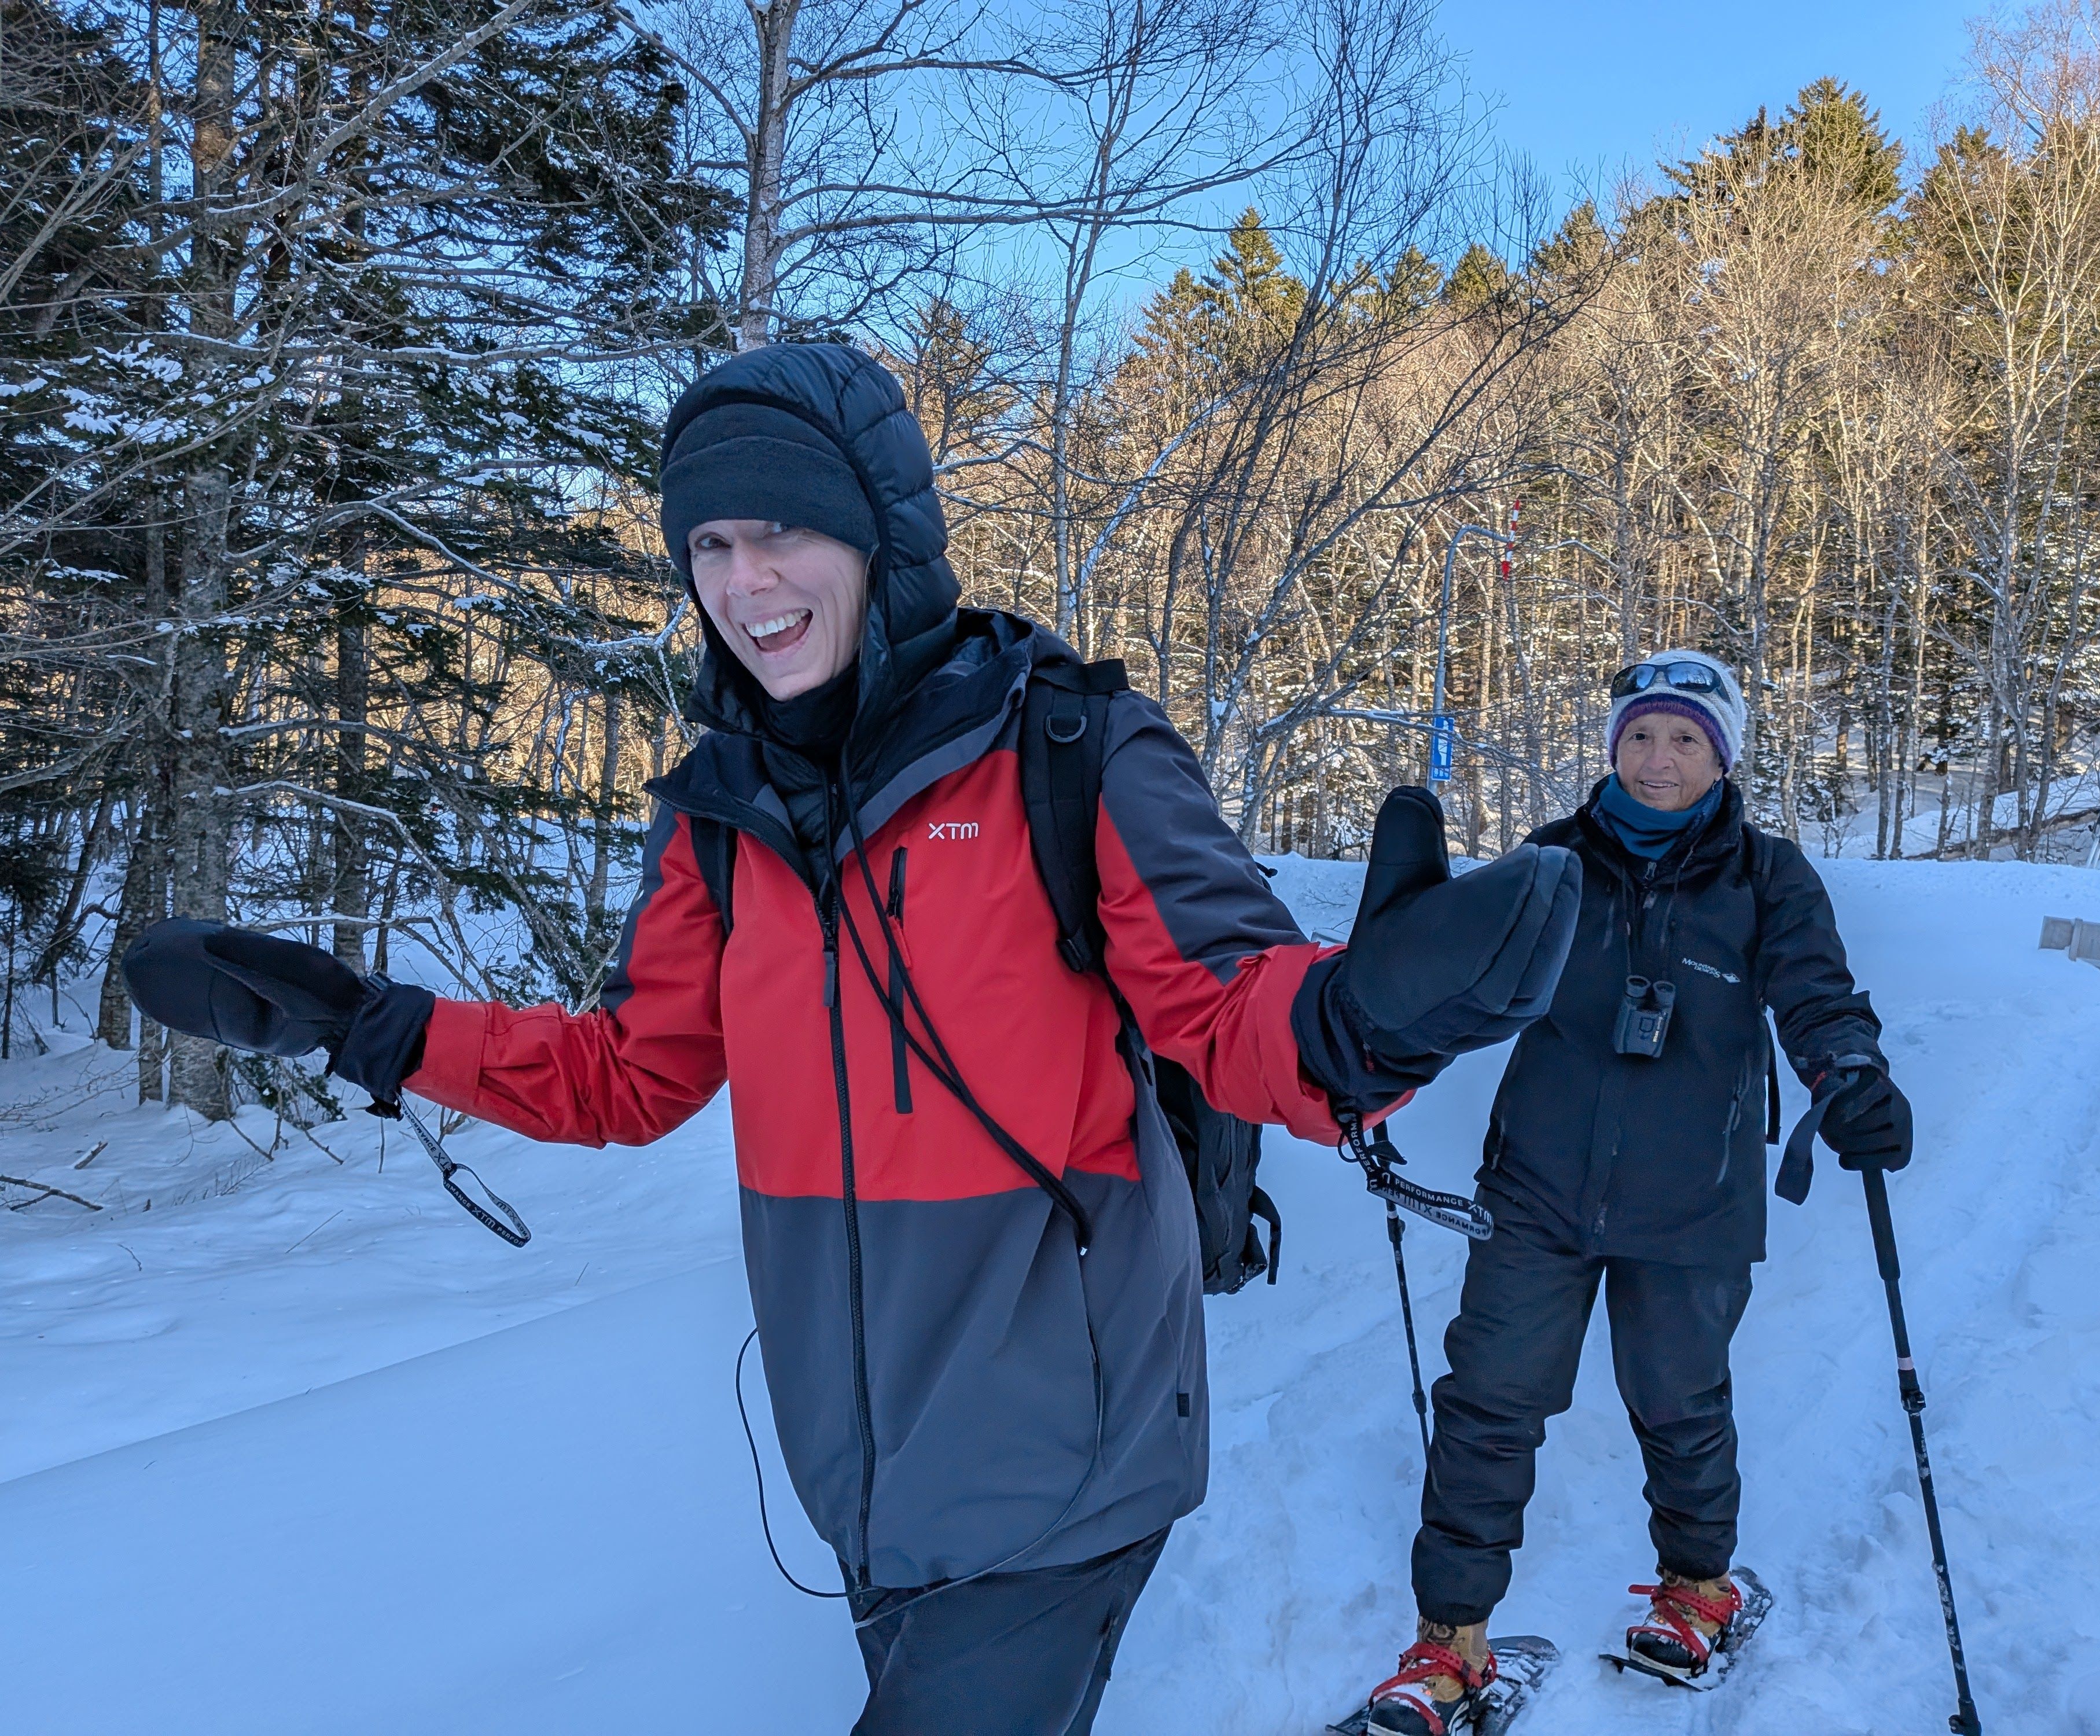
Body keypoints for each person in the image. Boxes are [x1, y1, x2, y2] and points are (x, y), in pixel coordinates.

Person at [122, 341, 1582, 1735]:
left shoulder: (1063, 749)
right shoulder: (719, 816)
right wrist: (373, 1026)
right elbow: (628, 1079)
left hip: (1061, 1459)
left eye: (778, 533)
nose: (741, 583)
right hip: (863, 1470)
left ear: (881, 534)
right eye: (705, 548)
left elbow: (1224, 1017)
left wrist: (1362, 1018)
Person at [1359, 649, 1914, 1735]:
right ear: (1614, 746)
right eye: (1641, 736)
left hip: (1694, 1193)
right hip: (1537, 1187)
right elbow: (1443, 991)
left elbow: (1817, 992)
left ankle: (1699, 1590)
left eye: (1687, 739)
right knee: (1488, 1404)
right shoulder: (1552, 861)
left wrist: (1850, 1073)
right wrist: (1382, 982)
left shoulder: (1768, 875)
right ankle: (1448, 1646)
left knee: (1679, 1401)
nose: (1659, 759)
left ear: (1724, 755)